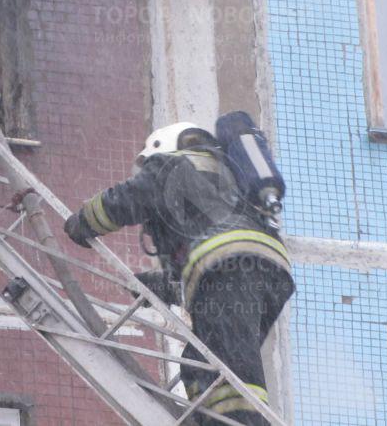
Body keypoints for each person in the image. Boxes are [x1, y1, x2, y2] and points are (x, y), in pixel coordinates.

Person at [64, 120, 294, 425]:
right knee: (202, 361)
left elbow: (129, 197)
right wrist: (160, 285)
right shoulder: (229, 180)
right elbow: (202, 275)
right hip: (268, 273)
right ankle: (211, 419)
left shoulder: (168, 165)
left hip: (228, 263)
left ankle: (238, 421)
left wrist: (83, 221)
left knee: (230, 364)